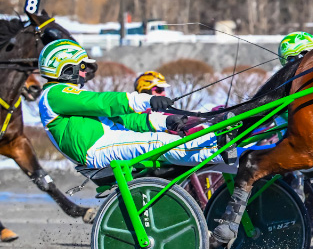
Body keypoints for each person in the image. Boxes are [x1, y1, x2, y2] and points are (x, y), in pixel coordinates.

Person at [36, 40, 220, 169]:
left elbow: (123, 119)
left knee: (162, 138)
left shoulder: (66, 97)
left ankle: (231, 155)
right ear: (65, 65)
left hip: (106, 141)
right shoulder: (54, 94)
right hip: (95, 149)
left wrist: (164, 121)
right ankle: (221, 152)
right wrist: (146, 100)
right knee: (158, 142)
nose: (84, 74)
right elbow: (101, 102)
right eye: (82, 67)